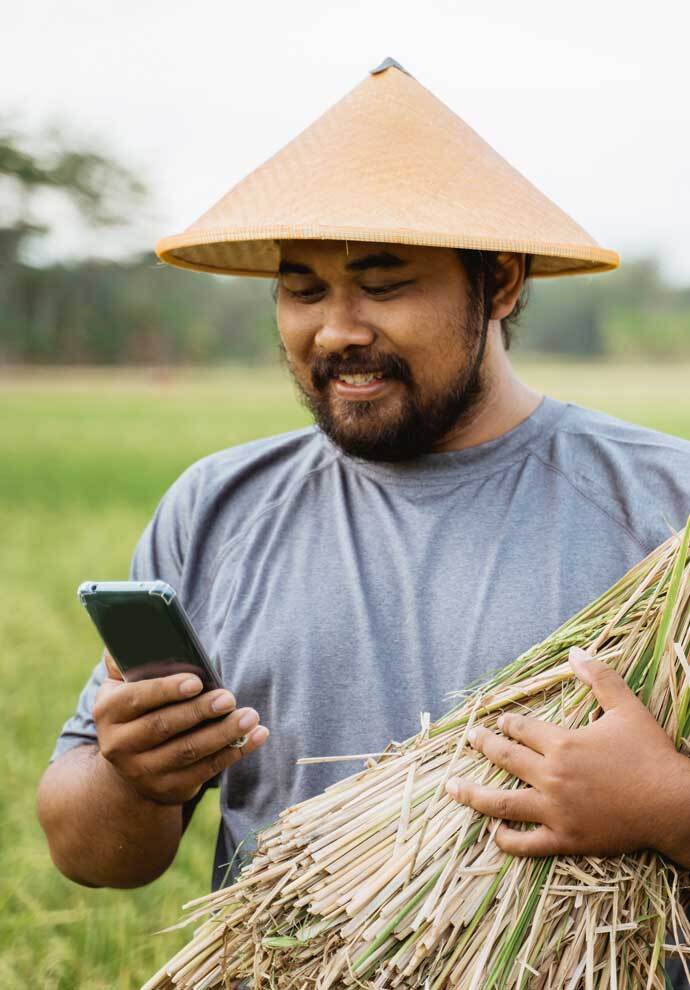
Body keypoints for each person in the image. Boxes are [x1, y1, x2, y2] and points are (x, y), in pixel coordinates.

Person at [38, 58, 690, 983]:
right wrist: (132, 775)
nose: (335, 328)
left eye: (382, 286)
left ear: (499, 282)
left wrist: (668, 806)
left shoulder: (666, 510)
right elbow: (92, 853)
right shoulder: (218, 507)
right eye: (303, 290)